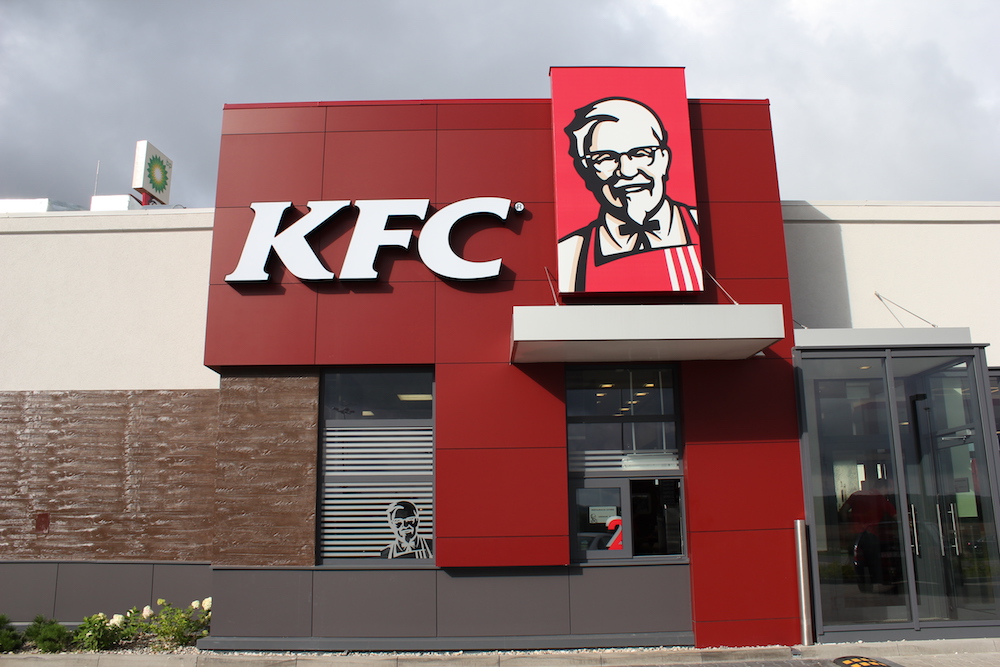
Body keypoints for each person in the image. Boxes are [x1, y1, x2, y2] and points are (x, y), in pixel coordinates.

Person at [559, 97, 701, 293]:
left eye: (641, 153)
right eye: (606, 158)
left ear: (664, 159)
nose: (627, 171)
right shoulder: (569, 255)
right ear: (586, 170)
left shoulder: (703, 228)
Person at [840, 478, 898, 592]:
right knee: (873, 560)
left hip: (854, 532)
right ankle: (877, 584)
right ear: (883, 488)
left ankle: (859, 587)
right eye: (888, 489)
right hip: (870, 533)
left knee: (856, 560)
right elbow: (896, 517)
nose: (888, 492)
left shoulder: (856, 495)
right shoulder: (881, 499)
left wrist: (848, 525)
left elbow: (843, 511)